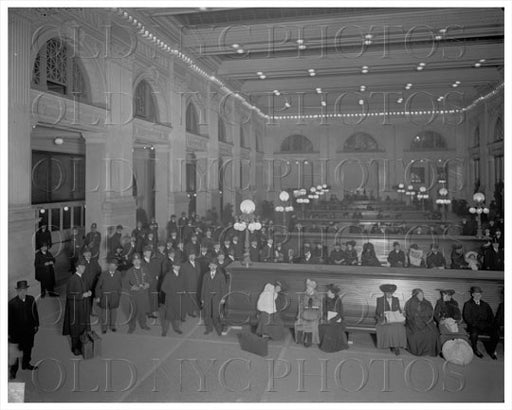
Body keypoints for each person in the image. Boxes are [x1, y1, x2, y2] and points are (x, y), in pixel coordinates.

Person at [9, 281, 40, 379]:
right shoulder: (12, 304)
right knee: (16, 352)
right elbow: (9, 320)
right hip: (17, 333)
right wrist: (9, 334)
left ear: (26, 290)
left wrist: (36, 324)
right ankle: (14, 370)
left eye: (25, 289)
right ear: (17, 291)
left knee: (28, 348)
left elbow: (35, 313)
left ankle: (26, 364)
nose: (23, 292)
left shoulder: (31, 299)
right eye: (21, 290)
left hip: (29, 331)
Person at [62, 258, 91, 355]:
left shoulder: (84, 277)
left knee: (82, 326)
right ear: (77, 268)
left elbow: (86, 288)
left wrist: (89, 292)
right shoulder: (72, 279)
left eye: (84, 266)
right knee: (75, 327)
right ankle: (75, 347)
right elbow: (69, 295)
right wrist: (82, 295)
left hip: (83, 306)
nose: (84, 268)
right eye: (82, 267)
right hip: (75, 307)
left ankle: (81, 344)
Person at [462, 286, 499, 359]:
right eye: (476, 294)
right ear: (472, 294)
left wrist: (489, 324)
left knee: (495, 334)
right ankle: (475, 349)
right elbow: (467, 317)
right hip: (474, 325)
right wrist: (476, 324)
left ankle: (491, 351)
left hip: (485, 325)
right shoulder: (468, 304)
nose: (478, 296)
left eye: (479, 294)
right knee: (474, 334)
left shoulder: (485, 305)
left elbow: (491, 316)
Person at [404, 289, 440, 356]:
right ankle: (419, 351)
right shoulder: (410, 303)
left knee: (433, 332)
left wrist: (427, 321)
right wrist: (420, 323)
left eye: (422, 294)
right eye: (420, 295)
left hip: (427, 322)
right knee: (418, 334)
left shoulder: (427, 303)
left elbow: (431, 314)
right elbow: (410, 316)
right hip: (414, 324)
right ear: (415, 295)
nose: (422, 296)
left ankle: (430, 351)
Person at [375, 284, 407, 355]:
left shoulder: (396, 299)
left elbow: (399, 310)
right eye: (388, 292)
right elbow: (378, 311)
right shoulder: (380, 300)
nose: (390, 294)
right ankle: (393, 345)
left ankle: (396, 346)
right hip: (385, 318)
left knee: (400, 327)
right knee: (390, 327)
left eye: (391, 292)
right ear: (384, 292)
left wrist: (401, 315)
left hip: (394, 318)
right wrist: (382, 315)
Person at [94, 258, 123, 334]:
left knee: (114, 312)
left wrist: (119, 294)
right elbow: (98, 286)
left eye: (114, 266)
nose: (112, 267)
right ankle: (104, 327)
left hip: (115, 296)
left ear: (116, 267)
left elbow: (120, 285)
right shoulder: (103, 274)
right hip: (105, 296)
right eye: (111, 265)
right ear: (108, 266)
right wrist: (98, 296)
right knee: (104, 312)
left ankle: (112, 326)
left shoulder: (119, 274)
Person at [201, 259, 228, 336]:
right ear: (209, 266)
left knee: (216, 315)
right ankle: (209, 329)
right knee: (207, 314)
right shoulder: (206, 275)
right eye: (211, 265)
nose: (212, 267)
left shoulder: (221, 276)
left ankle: (219, 330)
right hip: (207, 298)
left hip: (217, 298)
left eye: (214, 265)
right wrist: (202, 299)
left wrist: (223, 298)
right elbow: (203, 287)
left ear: (216, 266)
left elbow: (224, 288)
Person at [319, 284, 349, 352]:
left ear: (333, 293)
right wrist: (325, 317)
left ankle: (331, 347)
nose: (327, 292)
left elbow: (340, 313)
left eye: (329, 291)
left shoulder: (338, 300)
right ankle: (323, 344)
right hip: (327, 318)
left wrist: (333, 319)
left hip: (336, 319)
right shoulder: (325, 299)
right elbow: (323, 311)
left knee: (331, 328)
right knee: (321, 326)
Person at [126, 253, 150, 333]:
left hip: (143, 293)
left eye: (138, 260)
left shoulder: (145, 269)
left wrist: (148, 284)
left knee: (143, 310)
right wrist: (131, 287)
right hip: (134, 295)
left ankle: (143, 324)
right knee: (133, 311)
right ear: (132, 262)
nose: (136, 262)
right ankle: (132, 327)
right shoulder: (129, 271)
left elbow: (150, 279)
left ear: (140, 261)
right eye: (134, 260)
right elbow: (125, 283)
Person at [160, 262, 185, 336]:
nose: (178, 267)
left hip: (178, 299)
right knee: (168, 315)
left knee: (177, 314)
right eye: (176, 266)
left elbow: (183, 285)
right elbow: (163, 287)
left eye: (179, 266)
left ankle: (177, 328)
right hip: (170, 299)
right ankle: (164, 330)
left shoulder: (181, 275)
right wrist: (171, 292)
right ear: (173, 266)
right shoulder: (168, 275)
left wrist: (183, 290)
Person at [294, 279, 321, 347]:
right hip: (305, 313)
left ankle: (310, 341)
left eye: (309, 287)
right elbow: (301, 305)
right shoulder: (304, 295)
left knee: (312, 324)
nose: (308, 288)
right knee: (299, 323)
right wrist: (299, 315)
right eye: (307, 287)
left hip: (314, 314)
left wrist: (313, 302)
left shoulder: (317, 295)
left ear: (313, 288)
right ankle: (301, 339)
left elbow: (319, 305)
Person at [181, 252, 201, 318]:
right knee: (189, 299)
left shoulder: (197, 264)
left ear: (195, 256)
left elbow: (199, 274)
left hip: (197, 284)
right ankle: (190, 312)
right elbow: (182, 277)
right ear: (188, 256)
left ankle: (195, 310)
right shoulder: (184, 265)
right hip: (189, 285)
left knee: (196, 298)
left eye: (193, 255)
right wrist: (183, 287)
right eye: (190, 255)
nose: (192, 256)